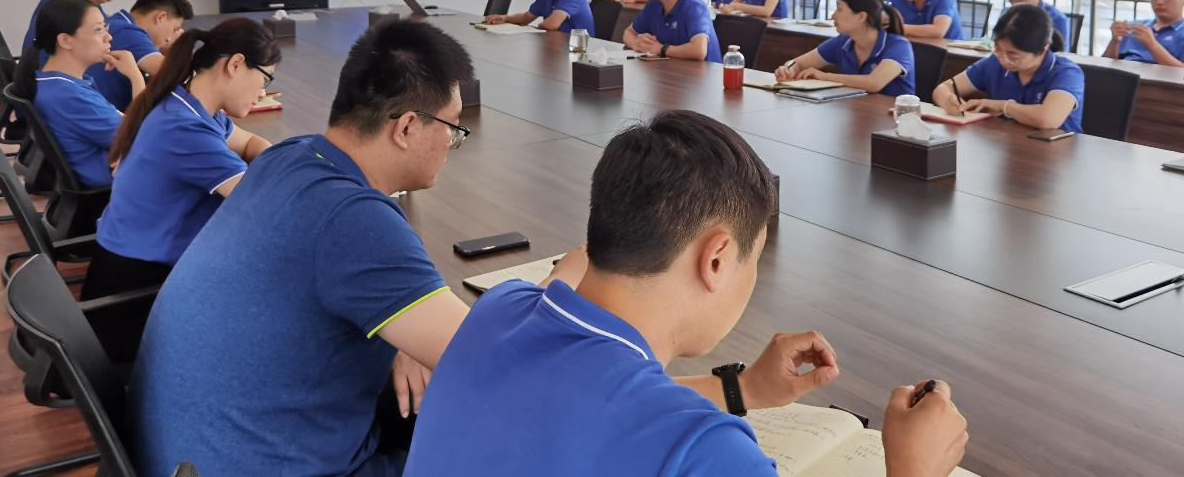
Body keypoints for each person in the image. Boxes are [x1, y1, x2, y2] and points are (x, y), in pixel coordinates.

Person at [130, 18, 583, 477]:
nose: (453, 142)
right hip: (254, 462)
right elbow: (501, 364)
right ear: (406, 127)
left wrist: (405, 332)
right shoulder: (353, 220)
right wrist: (560, 279)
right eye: (452, 126)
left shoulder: (291, 157)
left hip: (190, 447)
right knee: (529, 442)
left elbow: (348, 265)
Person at [404, 111, 969, 477]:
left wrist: (743, 388)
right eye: (755, 258)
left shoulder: (499, 308)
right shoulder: (705, 451)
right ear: (717, 259)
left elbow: (590, 395)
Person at [83, 19, 278, 325]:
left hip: (138, 271)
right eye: (265, 78)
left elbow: (251, 143)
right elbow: (264, 203)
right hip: (134, 299)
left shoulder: (186, 104)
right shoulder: (185, 129)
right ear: (236, 64)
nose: (263, 91)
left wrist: (275, 161)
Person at [12, 0, 143, 187]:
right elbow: (145, 137)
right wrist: (136, 77)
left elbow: (133, 133)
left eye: (105, 27)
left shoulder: (57, 83)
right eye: (98, 30)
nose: (109, 37)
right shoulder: (68, 95)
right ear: (65, 40)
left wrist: (128, 144)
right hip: (117, 183)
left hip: (117, 168)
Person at [933, 4, 1083, 133]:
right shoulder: (994, 63)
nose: (1003, 59)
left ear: (1042, 50)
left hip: (1058, 152)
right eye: (998, 49)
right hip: (1009, 144)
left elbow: (1048, 119)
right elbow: (943, 88)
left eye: (1013, 55)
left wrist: (1002, 106)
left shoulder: (1067, 73)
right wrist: (948, 101)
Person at [773, 0, 915, 97]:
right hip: (859, 113)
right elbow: (799, 63)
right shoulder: (843, 42)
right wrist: (788, 69)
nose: (833, 16)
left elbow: (874, 83)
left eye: (839, 9)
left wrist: (824, 76)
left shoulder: (898, 45)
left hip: (896, 120)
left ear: (861, 16)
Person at [86, 0, 195, 110]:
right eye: (175, 29)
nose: (169, 38)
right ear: (160, 17)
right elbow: (181, 75)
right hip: (105, 117)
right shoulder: (129, 33)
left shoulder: (117, 24)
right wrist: (180, 48)